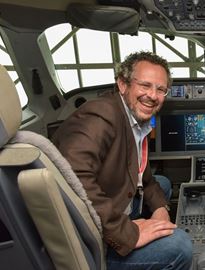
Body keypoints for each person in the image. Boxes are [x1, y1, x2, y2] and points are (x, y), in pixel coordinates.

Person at [53, 51, 192, 270]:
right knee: (181, 246)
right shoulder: (100, 116)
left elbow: (140, 172)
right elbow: (73, 178)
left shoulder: (132, 117)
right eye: (145, 85)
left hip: (113, 202)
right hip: (92, 240)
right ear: (122, 84)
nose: (153, 96)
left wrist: (160, 208)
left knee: (162, 184)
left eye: (160, 89)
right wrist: (128, 234)